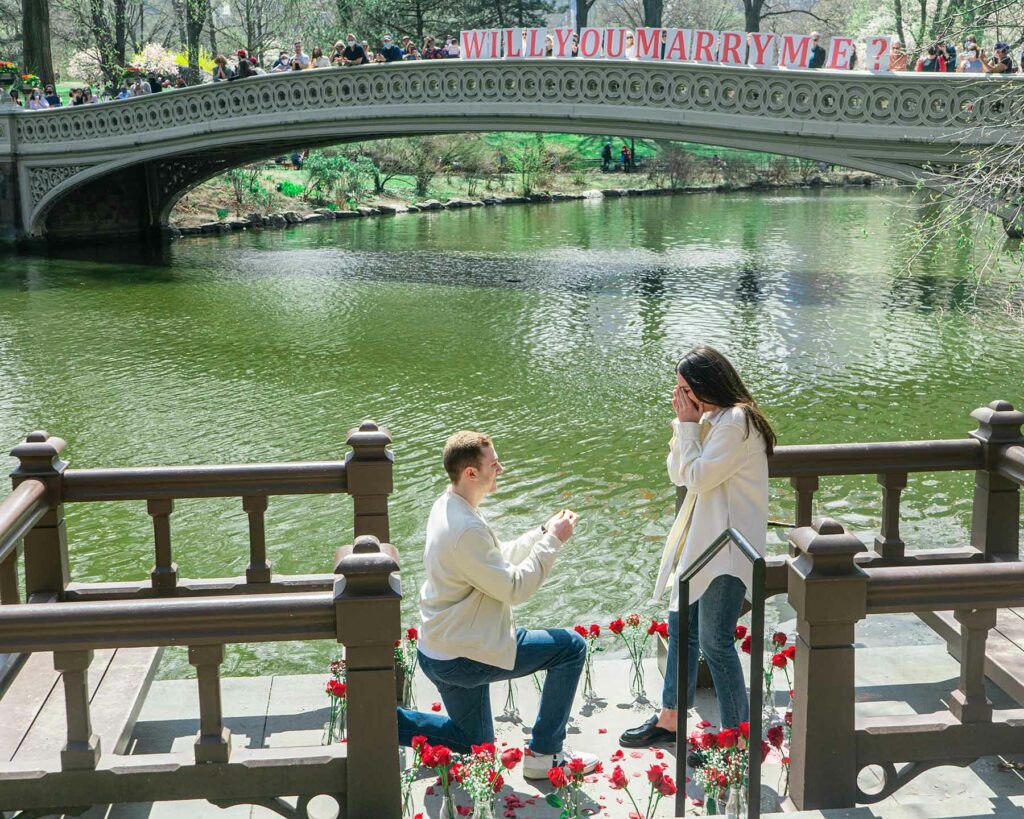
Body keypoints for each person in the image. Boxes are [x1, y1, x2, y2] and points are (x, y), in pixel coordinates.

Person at [396, 431, 599, 777]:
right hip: (464, 656)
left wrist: (540, 532)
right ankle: (544, 755)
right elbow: (515, 588)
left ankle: (382, 722)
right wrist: (554, 541)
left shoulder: (449, 504)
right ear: (470, 473)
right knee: (571, 648)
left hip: (440, 649)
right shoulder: (464, 528)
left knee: (476, 744)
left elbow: (494, 559)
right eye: (493, 464)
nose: (500, 469)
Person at [619, 346, 775, 749]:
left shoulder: (736, 422)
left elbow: (699, 479)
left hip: (726, 550)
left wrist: (688, 426)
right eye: (680, 390)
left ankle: (738, 739)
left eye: (687, 389)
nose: (682, 398)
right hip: (704, 545)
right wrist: (685, 425)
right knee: (681, 628)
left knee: (715, 642)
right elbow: (679, 472)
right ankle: (670, 718)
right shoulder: (712, 419)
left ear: (708, 384)